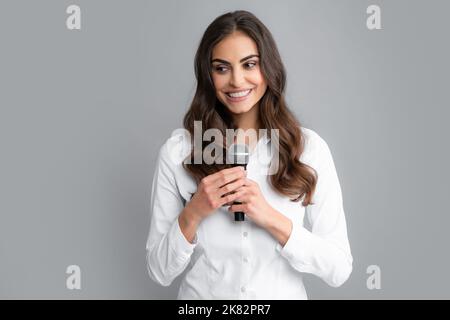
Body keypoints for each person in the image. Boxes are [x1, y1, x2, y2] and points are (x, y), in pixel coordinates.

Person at [145, 10, 352, 299]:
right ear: (208, 75)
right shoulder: (179, 151)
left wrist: (270, 217)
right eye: (221, 68)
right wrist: (194, 212)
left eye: (249, 64)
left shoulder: (308, 149)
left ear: (268, 68)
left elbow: (338, 268)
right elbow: (159, 270)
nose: (236, 81)